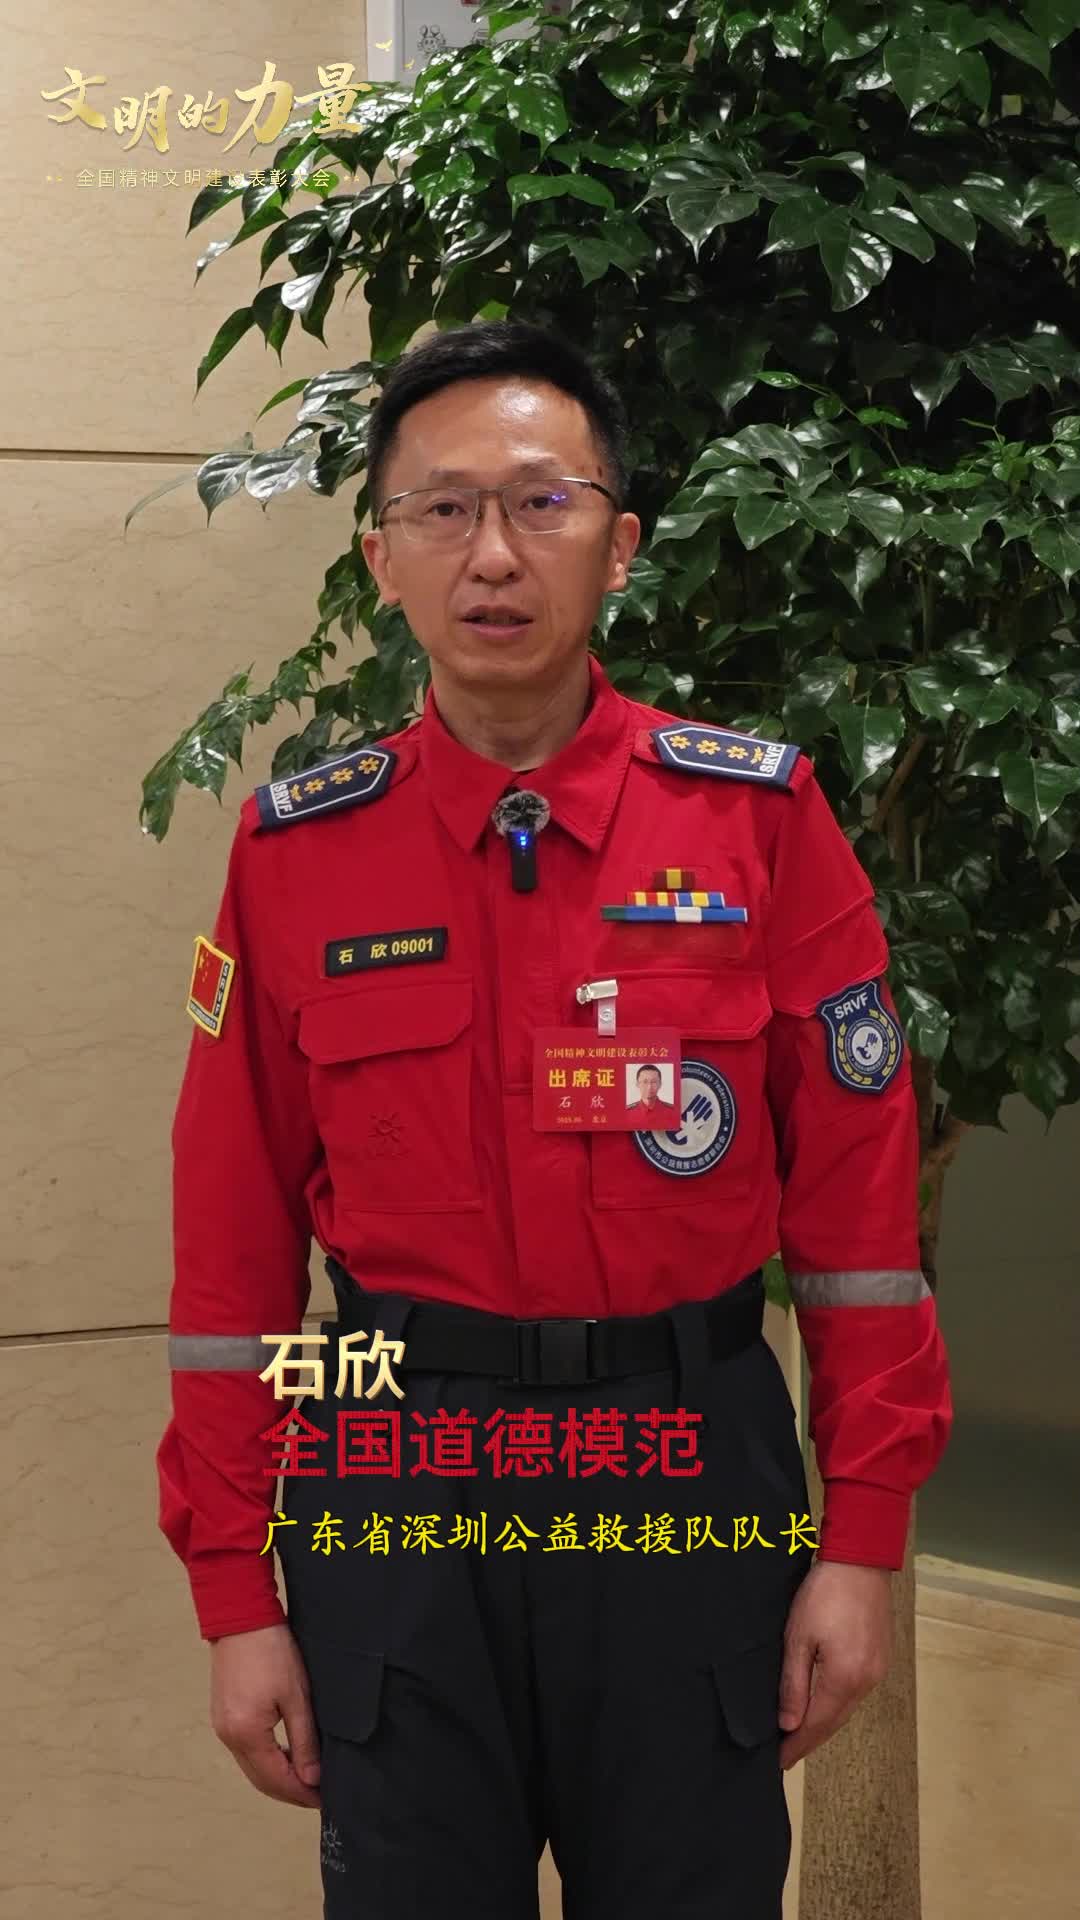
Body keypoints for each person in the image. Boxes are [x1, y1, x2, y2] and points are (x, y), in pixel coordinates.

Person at [157, 318, 952, 1920]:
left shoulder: (756, 821)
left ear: (621, 544)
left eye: (543, 502)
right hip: (396, 1457)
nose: (493, 554)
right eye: (443, 510)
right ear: (382, 558)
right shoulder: (298, 854)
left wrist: (860, 1542)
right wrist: (235, 1589)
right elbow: (232, 1262)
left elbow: (861, 1231)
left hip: (685, 1462)